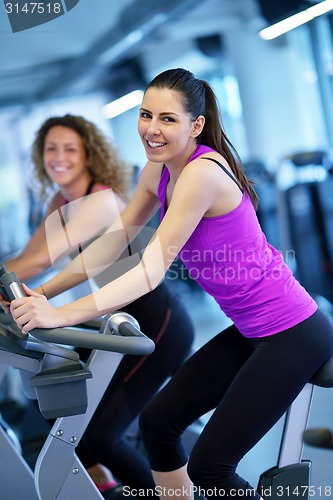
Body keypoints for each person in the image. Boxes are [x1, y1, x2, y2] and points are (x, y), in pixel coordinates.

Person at [8, 69, 333, 499]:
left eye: (167, 119)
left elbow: (148, 270)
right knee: (158, 424)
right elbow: (114, 243)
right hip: (252, 332)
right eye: (146, 115)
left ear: (196, 125)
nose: (152, 129)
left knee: (212, 468)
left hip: (294, 333)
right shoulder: (157, 171)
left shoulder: (201, 174)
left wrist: (61, 313)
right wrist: (43, 293)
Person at [0, 113, 194, 496]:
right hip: (118, 320)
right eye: (51, 149)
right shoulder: (62, 199)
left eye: (70, 149)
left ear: (88, 154)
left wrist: (22, 286)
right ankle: (101, 484)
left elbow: (42, 263)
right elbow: (28, 256)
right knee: (64, 413)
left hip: (158, 322)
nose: (59, 157)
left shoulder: (101, 201)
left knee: (102, 436)